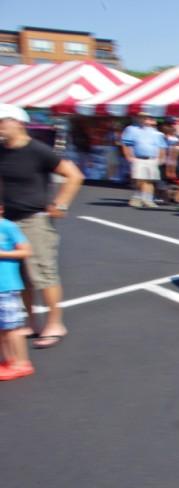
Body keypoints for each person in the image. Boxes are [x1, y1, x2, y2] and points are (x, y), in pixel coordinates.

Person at [0, 103, 83, 349]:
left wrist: (61, 204)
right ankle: (32, 322)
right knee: (22, 277)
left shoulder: (38, 151)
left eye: (2, 121)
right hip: (9, 221)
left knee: (43, 274)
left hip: (35, 220)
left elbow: (74, 175)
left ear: (17, 122)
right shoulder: (1, 151)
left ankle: (55, 323)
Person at [0, 198, 34, 381]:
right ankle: (9, 360)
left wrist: (2, 253)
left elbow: (26, 251)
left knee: (12, 327)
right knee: (2, 328)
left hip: (7, 286)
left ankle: (22, 363)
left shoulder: (8, 227)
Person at [121, 112, 166, 208]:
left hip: (152, 159)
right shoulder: (132, 129)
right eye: (144, 118)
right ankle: (137, 198)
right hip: (138, 158)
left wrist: (161, 158)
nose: (147, 120)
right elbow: (126, 144)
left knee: (150, 181)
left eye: (149, 118)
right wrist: (129, 156)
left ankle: (148, 200)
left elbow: (162, 147)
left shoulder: (157, 133)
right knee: (139, 180)